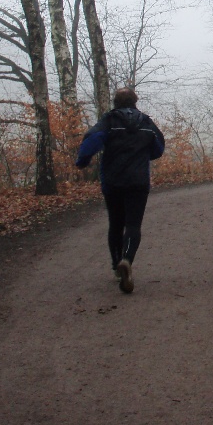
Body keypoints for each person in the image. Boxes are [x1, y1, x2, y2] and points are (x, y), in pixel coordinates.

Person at [75, 87, 165, 293]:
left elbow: (92, 140)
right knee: (133, 224)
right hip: (138, 181)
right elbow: (158, 148)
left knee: (115, 223)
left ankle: (117, 266)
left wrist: (82, 161)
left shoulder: (110, 120)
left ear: (116, 101)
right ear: (135, 101)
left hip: (113, 181)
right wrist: (143, 155)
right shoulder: (146, 122)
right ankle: (127, 260)